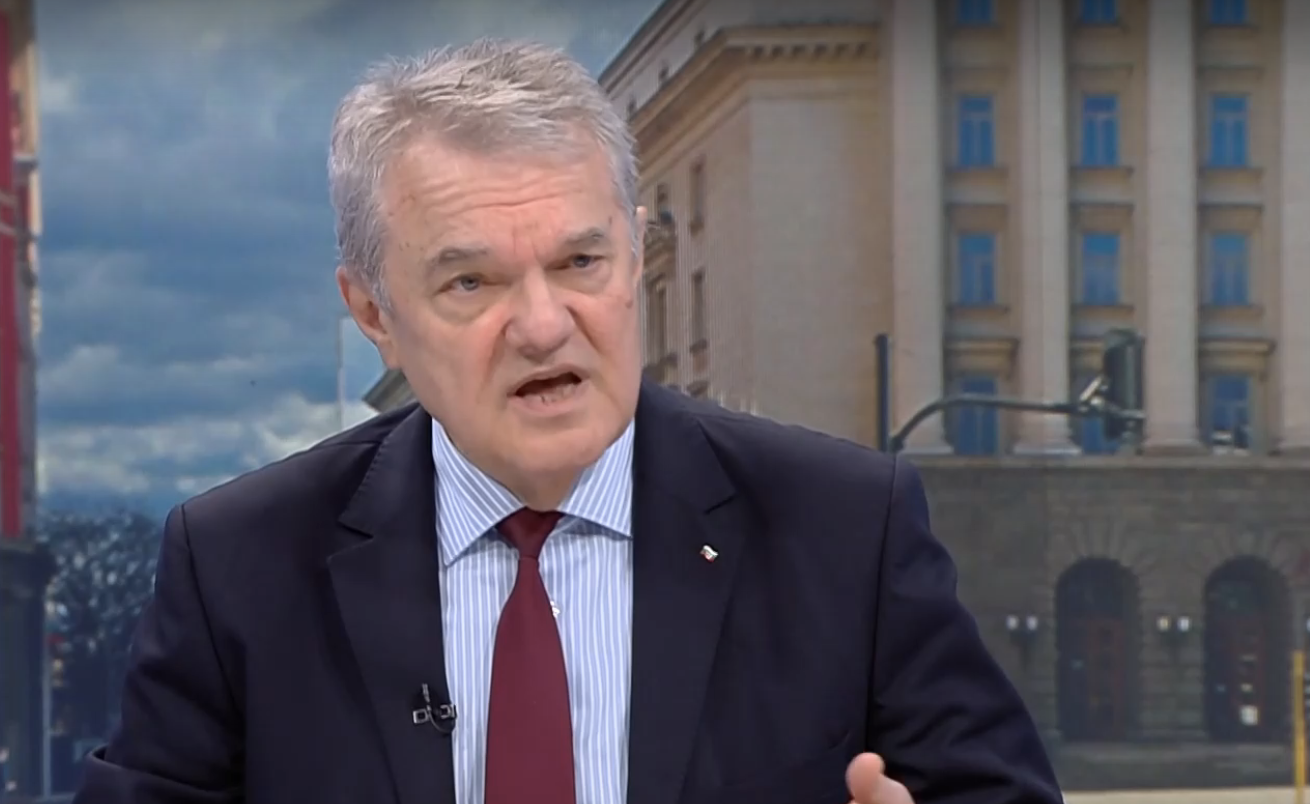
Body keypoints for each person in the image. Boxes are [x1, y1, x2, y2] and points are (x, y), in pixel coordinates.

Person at [74, 38, 1063, 804]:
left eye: (580, 262)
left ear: (634, 256)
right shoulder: (240, 563)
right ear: (374, 314)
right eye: (471, 281)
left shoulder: (844, 526)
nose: (544, 325)